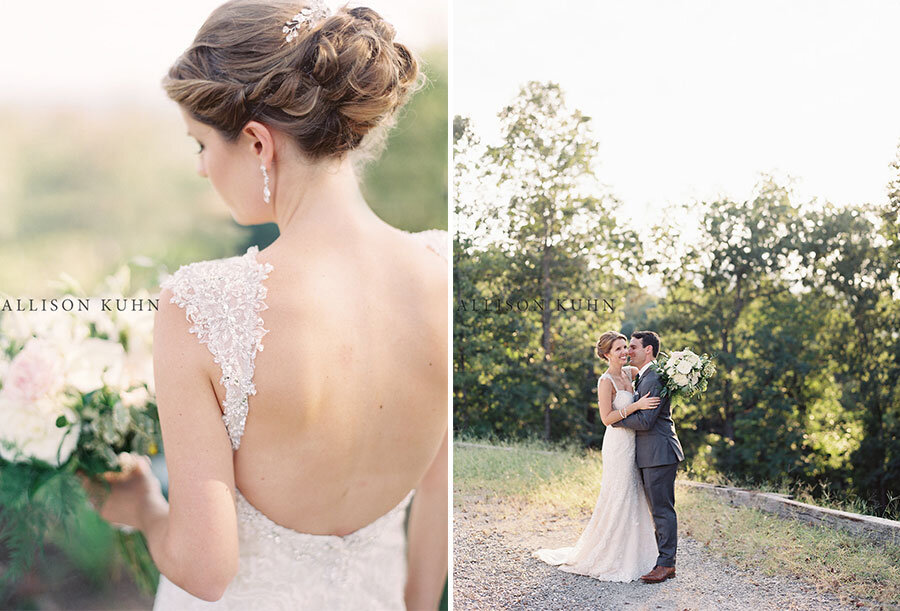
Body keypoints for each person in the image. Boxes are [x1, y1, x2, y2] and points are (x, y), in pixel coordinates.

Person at [84, 1, 448, 609]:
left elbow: (206, 570)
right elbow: (438, 491)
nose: (202, 168)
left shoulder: (200, 305)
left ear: (257, 142)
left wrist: (146, 511)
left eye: (200, 144)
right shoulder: (442, 271)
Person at [533, 331, 659, 582]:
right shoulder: (606, 381)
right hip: (617, 444)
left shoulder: (630, 373)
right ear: (605, 354)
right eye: (618, 349)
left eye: (626, 347)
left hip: (635, 441)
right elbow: (606, 419)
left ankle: (634, 553)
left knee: (633, 494)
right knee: (618, 492)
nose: (625, 352)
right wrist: (636, 405)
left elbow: (652, 369)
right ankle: (609, 554)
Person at [612, 330, 684, 583]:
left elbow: (645, 420)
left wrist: (615, 419)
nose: (628, 352)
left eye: (633, 347)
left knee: (662, 510)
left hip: (659, 453)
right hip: (651, 453)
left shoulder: (653, 378)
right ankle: (661, 560)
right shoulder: (645, 376)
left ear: (648, 350)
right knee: (657, 509)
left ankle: (666, 565)